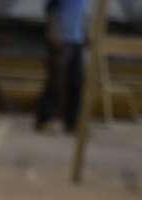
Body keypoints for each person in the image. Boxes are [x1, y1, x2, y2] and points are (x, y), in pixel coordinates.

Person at [36, 0, 91, 132]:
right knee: (55, 81)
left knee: (76, 82)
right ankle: (44, 120)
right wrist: (54, 33)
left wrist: (85, 33)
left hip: (77, 41)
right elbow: (51, 9)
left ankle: (72, 123)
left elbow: (82, 14)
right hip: (61, 39)